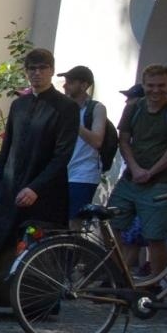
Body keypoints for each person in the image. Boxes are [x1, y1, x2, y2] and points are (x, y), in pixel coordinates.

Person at [0, 48, 76, 316]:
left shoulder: (66, 108)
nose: (36, 74)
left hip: (45, 194)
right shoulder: (19, 104)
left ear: (52, 70)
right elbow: (8, 147)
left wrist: (36, 188)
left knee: (36, 249)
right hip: (10, 187)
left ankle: (39, 302)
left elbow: (62, 154)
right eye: (31, 68)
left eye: (42, 68)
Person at [110, 64, 167, 279]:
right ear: (144, 85)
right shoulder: (134, 107)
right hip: (131, 179)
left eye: (161, 86)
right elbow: (124, 140)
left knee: (155, 237)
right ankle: (117, 276)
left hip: (161, 181)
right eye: (150, 86)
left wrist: (151, 171)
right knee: (111, 226)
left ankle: (157, 283)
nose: (155, 91)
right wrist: (136, 169)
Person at [62, 65, 107, 227]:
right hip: (61, 173)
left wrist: (74, 122)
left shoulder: (96, 108)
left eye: (70, 82)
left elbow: (97, 141)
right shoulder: (62, 107)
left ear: (84, 85)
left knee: (74, 223)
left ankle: (73, 252)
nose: (65, 85)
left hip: (83, 174)